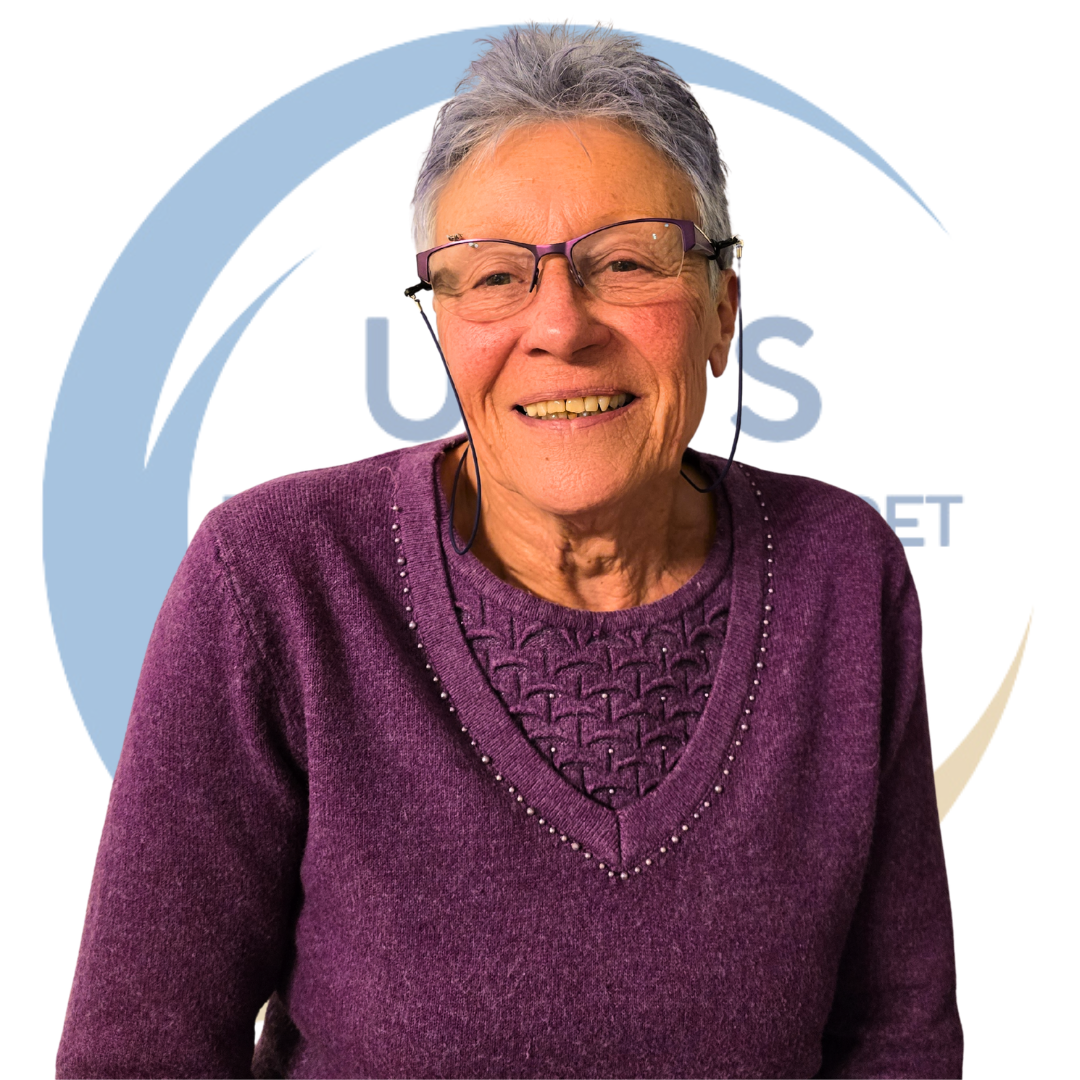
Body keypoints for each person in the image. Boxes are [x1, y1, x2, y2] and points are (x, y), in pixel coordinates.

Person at [57, 24, 962, 1079]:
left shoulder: (842, 575)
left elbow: (897, 1041)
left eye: (625, 262)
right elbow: (138, 1055)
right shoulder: (274, 583)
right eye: (494, 276)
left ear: (722, 309)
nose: (561, 327)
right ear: (442, 327)